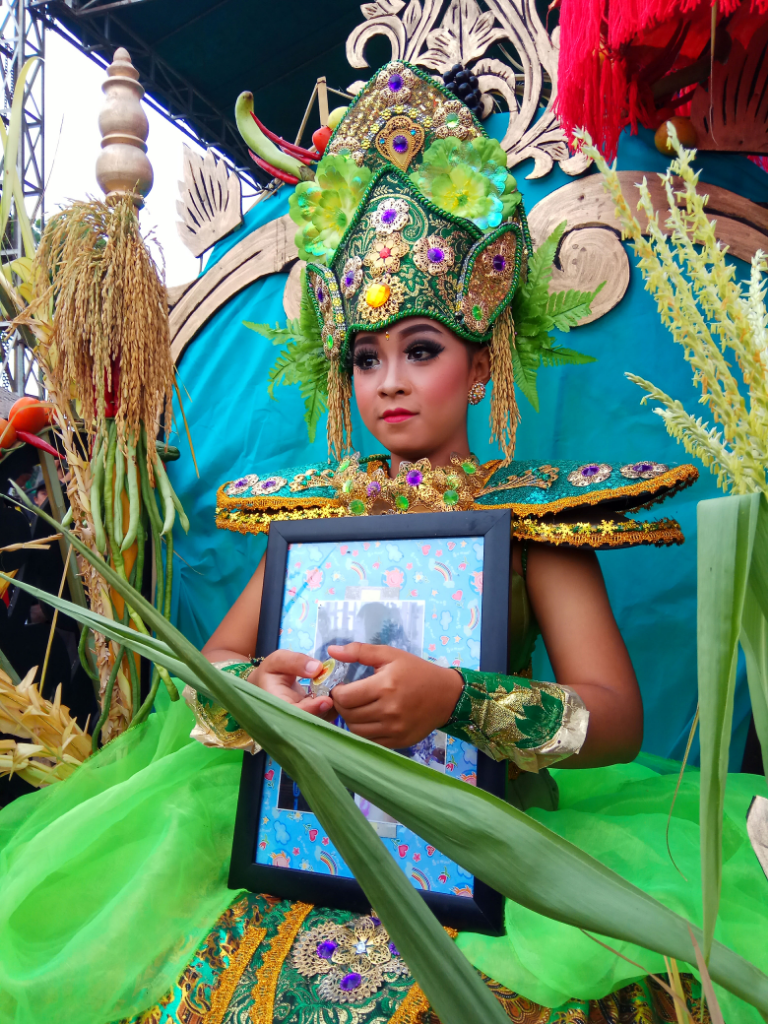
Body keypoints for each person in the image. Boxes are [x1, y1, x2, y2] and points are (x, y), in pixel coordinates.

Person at [0, 62, 765, 1024]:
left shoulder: (532, 524)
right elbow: (219, 662)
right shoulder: (312, 518)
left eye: (423, 350)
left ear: (481, 365)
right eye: (367, 357)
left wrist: (458, 699)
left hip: (492, 861)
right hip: (308, 847)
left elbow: (614, 720)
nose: (389, 382)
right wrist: (256, 692)